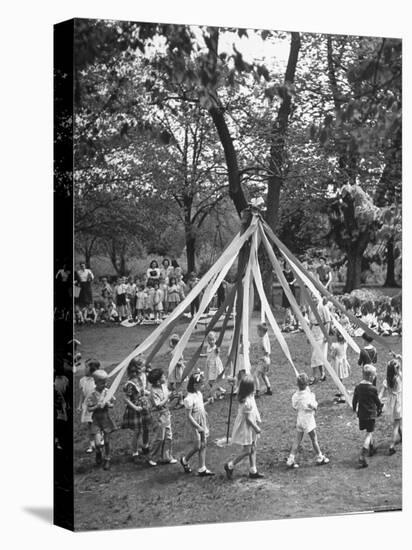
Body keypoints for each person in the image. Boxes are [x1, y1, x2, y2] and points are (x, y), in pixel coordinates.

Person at [224, 374, 264, 480]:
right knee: (247, 450)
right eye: (253, 386)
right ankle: (230, 465)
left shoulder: (250, 396)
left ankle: (253, 471)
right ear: (249, 389)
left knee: (253, 447)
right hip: (247, 427)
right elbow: (248, 419)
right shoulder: (246, 402)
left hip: (251, 424)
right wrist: (256, 427)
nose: (255, 388)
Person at [286, 373, 329, 469]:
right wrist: (312, 398)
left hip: (300, 419)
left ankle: (290, 459)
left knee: (297, 440)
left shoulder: (296, 395)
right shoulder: (309, 396)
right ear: (307, 384)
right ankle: (320, 457)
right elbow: (314, 407)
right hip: (308, 420)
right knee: (314, 439)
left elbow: (294, 406)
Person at [180, 372, 214, 477]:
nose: (203, 386)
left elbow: (199, 407)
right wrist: (197, 426)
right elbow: (189, 416)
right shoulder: (188, 399)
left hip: (202, 422)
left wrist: (208, 402)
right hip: (195, 424)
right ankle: (185, 460)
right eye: (201, 384)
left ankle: (202, 468)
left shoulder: (199, 394)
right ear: (195, 385)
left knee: (204, 444)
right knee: (197, 446)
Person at [352, 364, 383, 468]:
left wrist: (354, 408)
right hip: (370, 414)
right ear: (370, 377)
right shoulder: (372, 388)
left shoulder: (358, 387)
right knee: (369, 434)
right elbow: (377, 401)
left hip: (361, 414)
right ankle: (362, 456)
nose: (375, 377)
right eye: (374, 375)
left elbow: (354, 400)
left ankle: (372, 447)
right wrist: (380, 407)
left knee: (369, 431)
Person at [121, 357, 151, 462]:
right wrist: (135, 407)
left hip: (144, 406)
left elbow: (142, 391)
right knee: (137, 431)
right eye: (143, 366)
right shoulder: (131, 383)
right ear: (138, 368)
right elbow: (126, 398)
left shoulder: (141, 378)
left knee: (146, 427)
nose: (145, 367)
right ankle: (134, 452)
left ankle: (145, 445)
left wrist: (149, 393)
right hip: (136, 409)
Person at [86, 369, 116, 470]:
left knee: (107, 442)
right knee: (98, 443)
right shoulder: (92, 394)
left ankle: (107, 458)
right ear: (95, 382)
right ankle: (98, 452)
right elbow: (89, 409)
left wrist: (109, 404)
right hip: (96, 420)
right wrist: (96, 406)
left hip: (106, 419)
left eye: (105, 382)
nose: (105, 384)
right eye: (102, 382)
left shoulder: (108, 392)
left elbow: (112, 405)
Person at [147, 368, 177, 466]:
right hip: (158, 416)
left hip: (166, 414)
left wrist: (173, 396)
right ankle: (153, 457)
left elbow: (166, 399)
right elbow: (158, 405)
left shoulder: (164, 386)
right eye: (163, 376)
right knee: (159, 437)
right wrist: (168, 397)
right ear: (158, 381)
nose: (165, 377)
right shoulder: (153, 391)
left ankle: (167, 457)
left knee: (168, 436)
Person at [378, 359, 402, 455]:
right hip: (399, 403)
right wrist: (400, 359)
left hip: (392, 403)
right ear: (396, 369)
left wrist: (377, 401)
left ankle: (402, 436)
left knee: (398, 420)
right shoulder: (399, 378)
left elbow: (381, 393)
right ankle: (392, 446)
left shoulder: (387, 379)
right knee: (396, 425)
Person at [77, 359, 100, 453]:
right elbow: (82, 394)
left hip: (96, 406)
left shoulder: (97, 380)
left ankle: (99, 438)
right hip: (87, 407)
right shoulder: (82, 381)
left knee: (97, 423)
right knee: (89, 425)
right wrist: (79, 405)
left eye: (86, 367)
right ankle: (91, 444)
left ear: (92, 369)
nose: (84, 369)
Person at [309, 297, 331, 384]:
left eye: (315, 297)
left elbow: (328, 322)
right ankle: (322, 374)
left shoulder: (323, 308)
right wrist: (309, 335)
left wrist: (326, 335)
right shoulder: (310, 308)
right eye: (312, 297)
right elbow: (311, 322)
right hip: (314, 331)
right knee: (317, 355)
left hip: (321, 332)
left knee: (315, 356)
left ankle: (314, 377)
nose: (314, 299)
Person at [202, 331, 226, 402]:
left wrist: (217, 350)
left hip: (215, 366)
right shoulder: (208, 347)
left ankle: (216, 393)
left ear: (215, 340)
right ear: (207, 340)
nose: (211, 341)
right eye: (210, 339)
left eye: (213, 339)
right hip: (209, 366)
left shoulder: (216, 348)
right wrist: (201, 355)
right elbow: (208, 355)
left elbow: (217, 352)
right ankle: (217, 392)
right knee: (211, 381)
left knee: (212, 381)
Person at [252, 322, 272, 397]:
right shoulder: (264, 337)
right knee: (263, 375)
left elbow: (266, 350)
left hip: (263, 361)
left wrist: (264, 357)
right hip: (267, 361)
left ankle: (257, 392)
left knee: (255, 375)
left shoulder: (263, 339)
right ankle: (269, 389)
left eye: (258, 331)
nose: (257, 332)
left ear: (261, 331)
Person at [330, 332, 351, 403]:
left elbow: (332, 355)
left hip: (338, 363)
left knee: (339, 378)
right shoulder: (345, 344)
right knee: (340, 378)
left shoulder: (335, 346)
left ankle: (342, 395)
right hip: (343, 362)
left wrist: (332, 352)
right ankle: (341, 391)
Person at [167, 334, 185, 408]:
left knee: (178, 387)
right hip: (173, 370)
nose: (170, 344)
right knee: (170, 385)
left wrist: (177, 362)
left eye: (171, 342)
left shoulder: (178, 351)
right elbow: (168, 352)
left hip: (177, 371)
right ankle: (176, 394)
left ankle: (180, 402)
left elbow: (181, 361)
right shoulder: (172, 350)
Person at [281, 261, 297, 330]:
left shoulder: (292, 272)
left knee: (292, 306)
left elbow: (296, 278)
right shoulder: (283, 272)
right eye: (286, 264)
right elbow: (281, 279)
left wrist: (292, 282)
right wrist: (285, 283)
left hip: (292, 289)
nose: (288, 266)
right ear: (285, 265)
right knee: (286, 306)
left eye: (288, 264)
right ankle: (289, 320)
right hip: (285, 289)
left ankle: (290, 321)